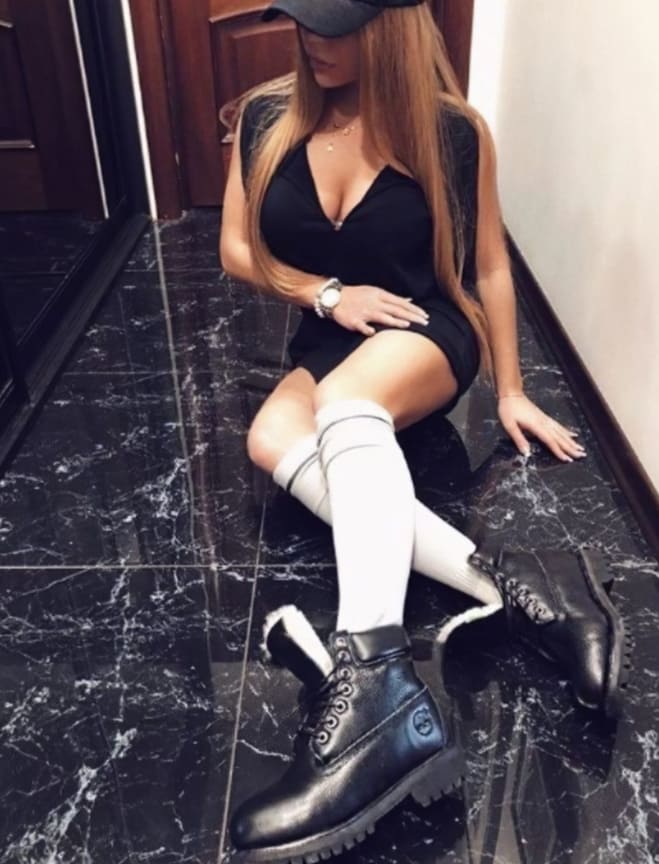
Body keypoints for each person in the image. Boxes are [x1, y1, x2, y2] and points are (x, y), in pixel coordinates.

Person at [219, 2, 630, 860]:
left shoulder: (452, 132)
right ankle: (521, 580)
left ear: (390, 27)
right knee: (269, 438)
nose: (313, 41)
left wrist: (510, 390)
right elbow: (236, 250)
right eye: (303, 21)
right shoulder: (265, 116)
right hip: (330, 337)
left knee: (346, 404)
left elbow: (489, 265)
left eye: (336, 24)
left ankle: (374, 689)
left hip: (426, 334)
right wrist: (326, 295)